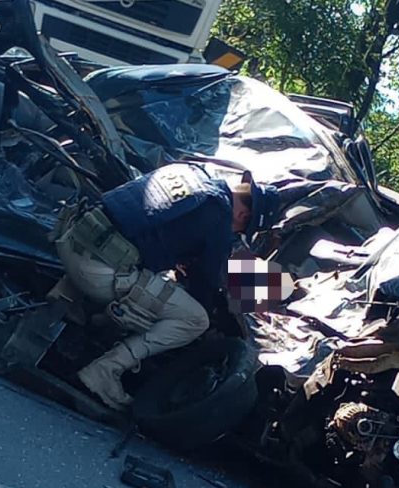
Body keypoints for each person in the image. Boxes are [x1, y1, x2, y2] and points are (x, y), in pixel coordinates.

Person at [54, 162, 279, 410]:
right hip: (98, 271)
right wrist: (211, 324)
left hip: (70, 238)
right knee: (194, 320)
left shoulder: (188, 171)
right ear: (243, 216)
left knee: (150, 282)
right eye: (241, 231)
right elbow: (203, 283)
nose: (235, 234)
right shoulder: (219, 215)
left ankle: (82, 317)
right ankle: (104, 371)